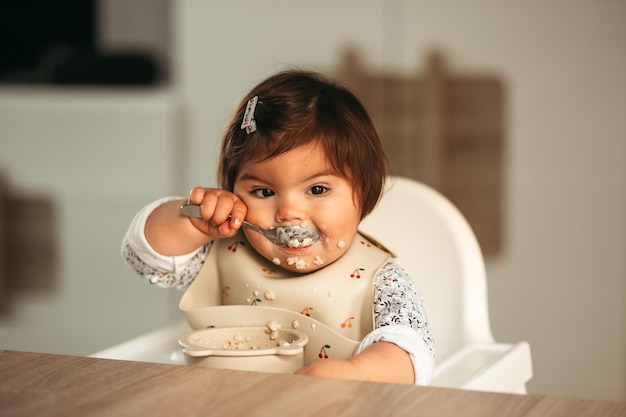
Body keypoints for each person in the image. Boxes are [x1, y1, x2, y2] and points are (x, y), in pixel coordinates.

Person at [122, 70, 434, 385]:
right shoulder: (221, 250)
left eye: (317, 190)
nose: (288, 213)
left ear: (363, 194)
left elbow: (411, 353)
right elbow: (146, 258)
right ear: (233, 191)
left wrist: (353, 374)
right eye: (264, 192)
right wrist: (190, 221)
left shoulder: (380, 279)